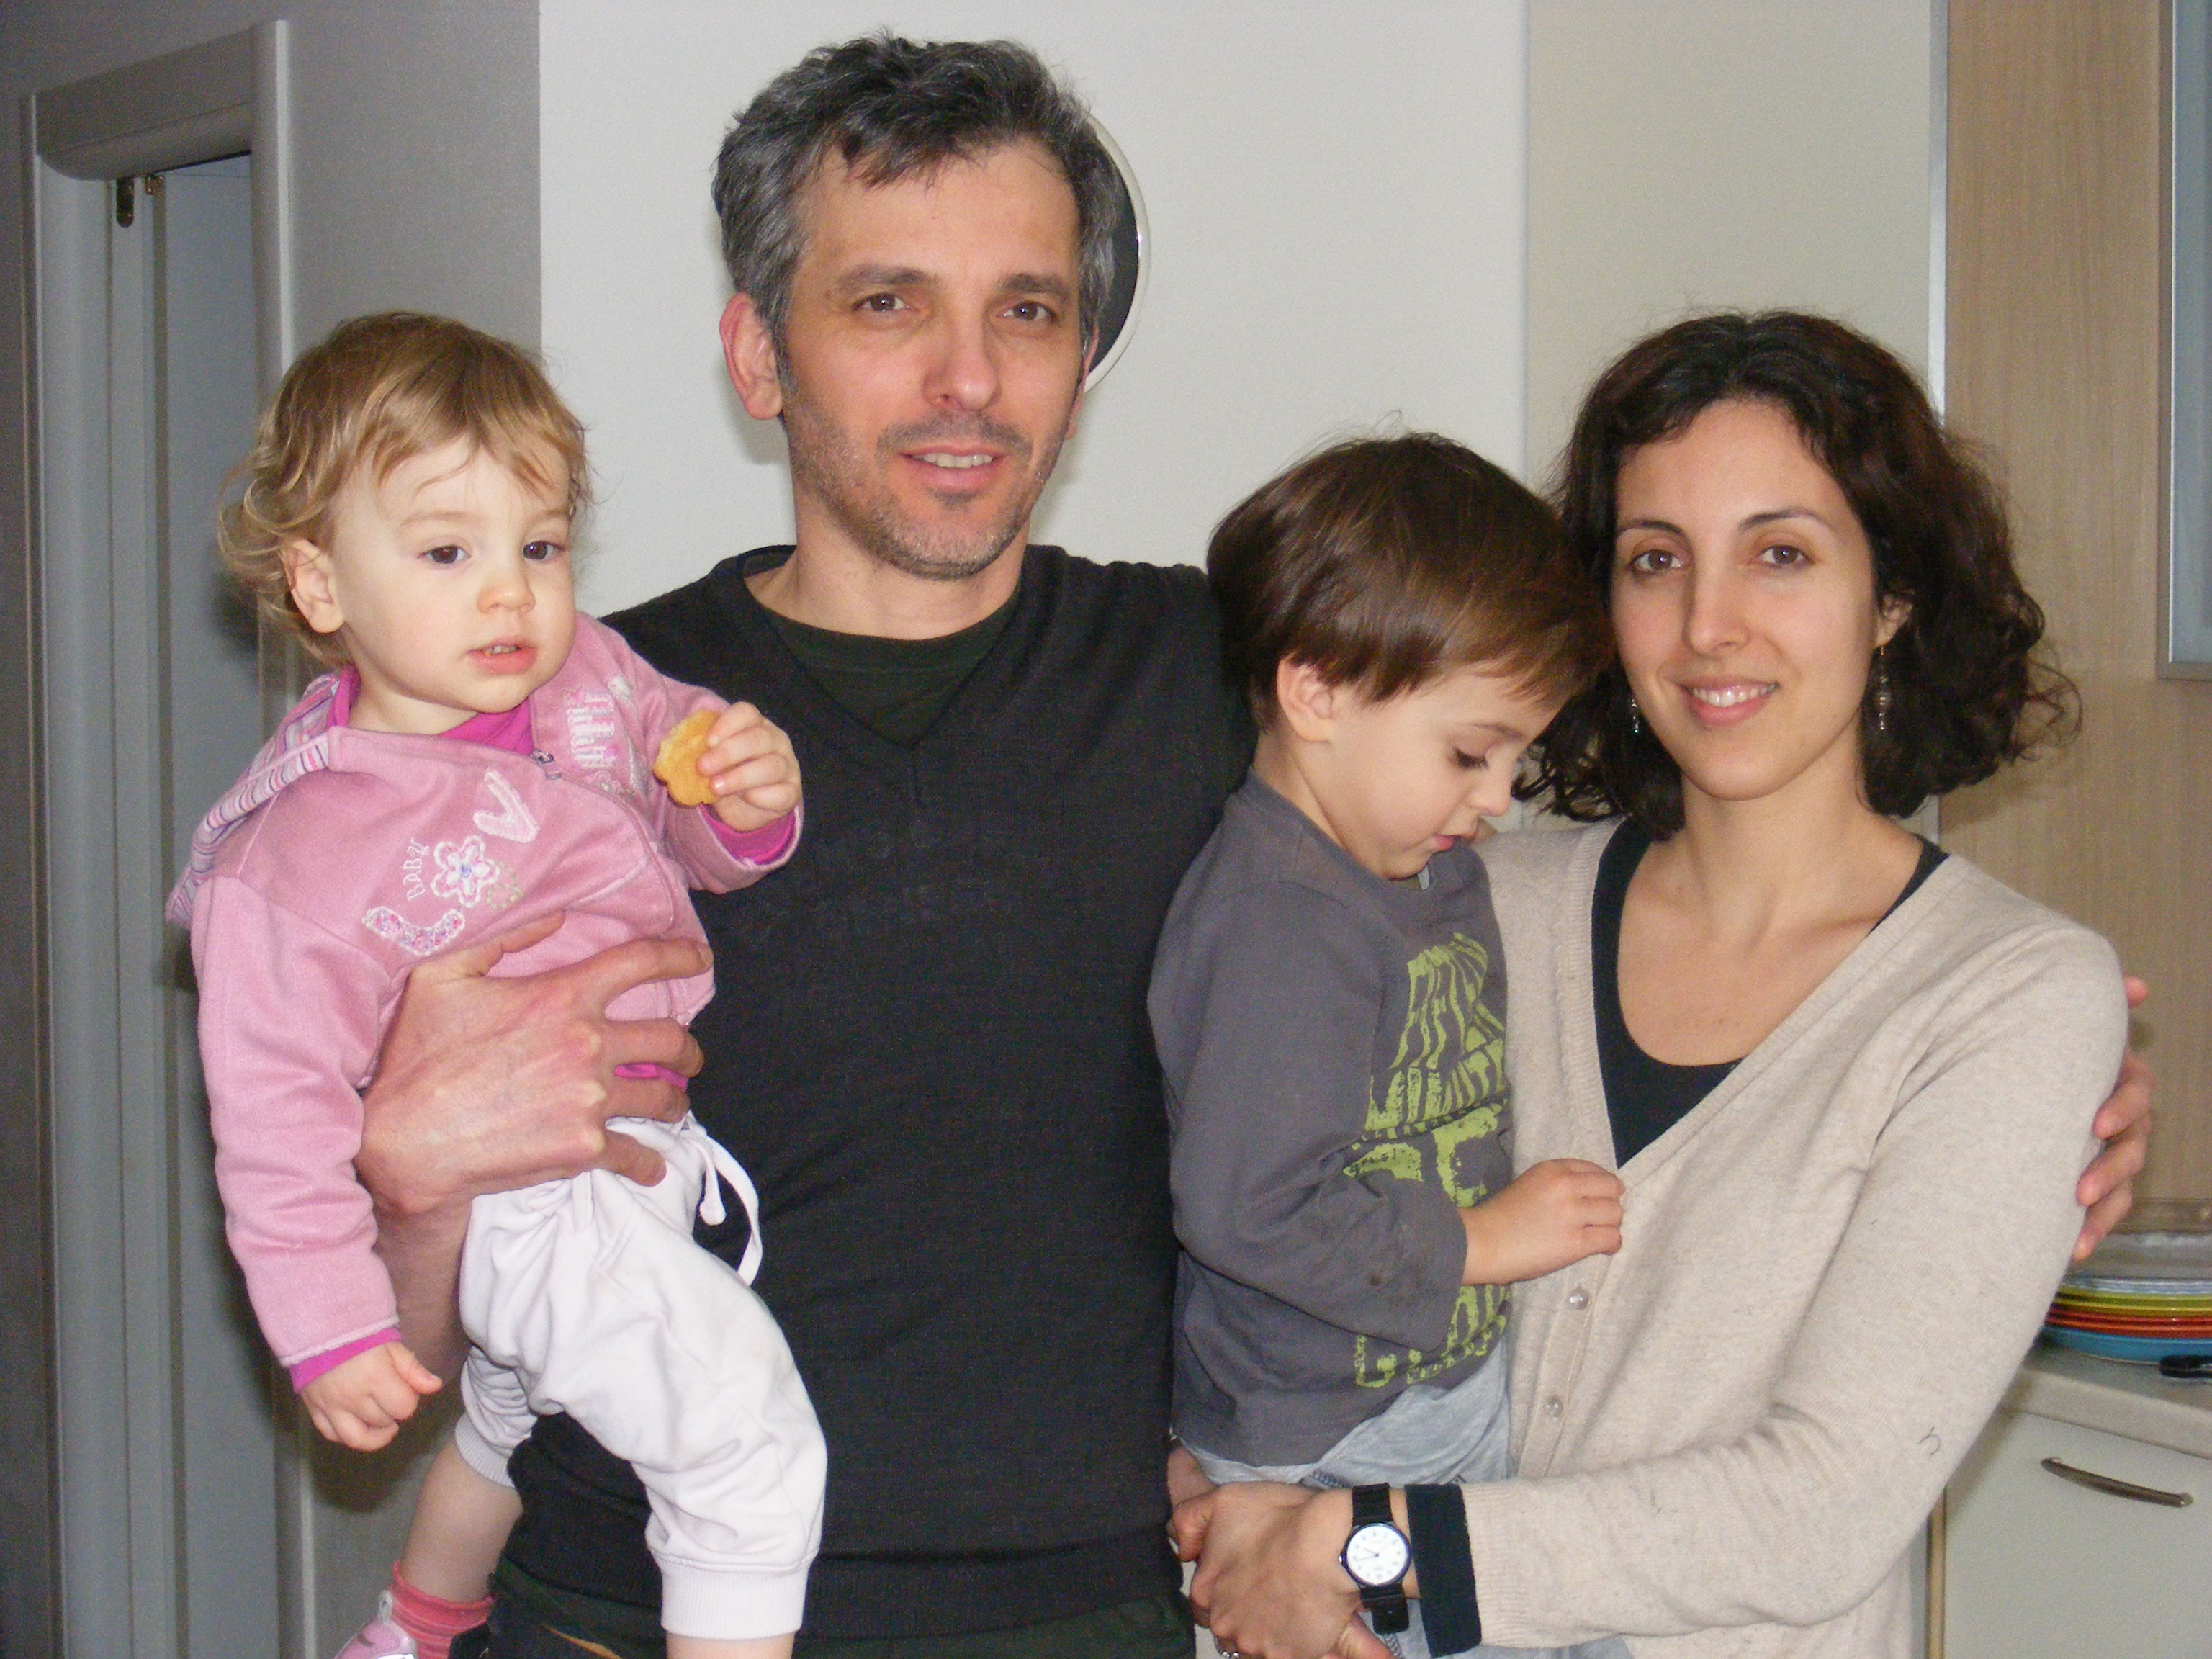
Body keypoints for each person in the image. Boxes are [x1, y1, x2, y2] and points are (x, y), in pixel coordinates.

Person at [341, 38, 2153, 1659]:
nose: (968, 377)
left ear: (1084, 359)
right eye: (888, 302)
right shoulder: (574, 732)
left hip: (1106, 1614)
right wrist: (412, 1187)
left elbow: (1519, 834)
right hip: (637, 1606)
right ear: (758, 349)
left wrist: (2016, 1090)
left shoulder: (1232, 688)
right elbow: (417, 1315)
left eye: (1030, 310)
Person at [1173, 312, 2137, 1659]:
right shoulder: (1460, 896)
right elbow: (1215, 1174)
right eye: (1654, 560)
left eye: (1782, 554)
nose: (1707, 626)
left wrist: (1365, 1545)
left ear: (1894, 600)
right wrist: (1191, 1466)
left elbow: (1825, 1508)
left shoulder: (2007, 999)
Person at [169, 313, 824, 1659]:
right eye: (446, 552)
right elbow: (276, 1119)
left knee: (510, 1414)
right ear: (320, 584)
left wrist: (739, 800)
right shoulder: (296, 859)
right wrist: (331, 1328)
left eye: (540, 547)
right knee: (746, 1444)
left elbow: (689, 831)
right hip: (529, 1195)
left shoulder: (590, 677)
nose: (510, 595)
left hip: (632, 1146)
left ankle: (415, 1629)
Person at [1154, 434, 1621, 1659]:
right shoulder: (1282, 921)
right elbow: (1247, 1206)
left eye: (1517, 755)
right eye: (1470, 753)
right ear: (1315, 693)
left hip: (1422, 1391)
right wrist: (1483, 1241)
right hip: (1329, 1432)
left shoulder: (1412, 859)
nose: (1499, 795)